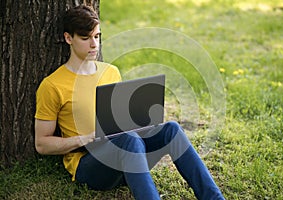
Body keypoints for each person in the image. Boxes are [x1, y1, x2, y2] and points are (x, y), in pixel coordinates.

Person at [34, 5, 225, 200]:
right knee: (130, 139)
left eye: (97, 36)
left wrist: (141, 122)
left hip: (129, 157)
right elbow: (42, 144)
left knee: (171, 130)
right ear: (68, 38)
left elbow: (119, 121)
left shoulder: (111, 71)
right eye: (85, 38)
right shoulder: (52, 85)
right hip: (90, 166)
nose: (94, 44)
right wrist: (83, 139)